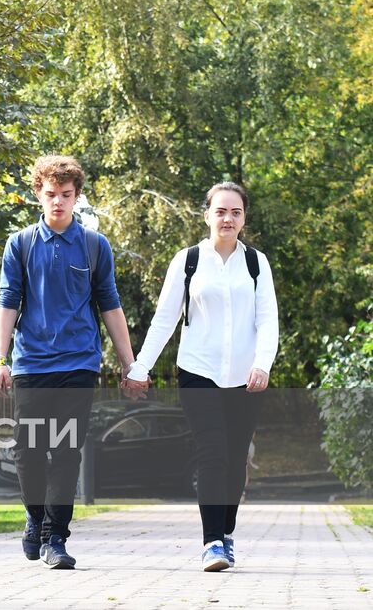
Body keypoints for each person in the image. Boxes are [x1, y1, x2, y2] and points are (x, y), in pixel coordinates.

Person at [0, 155, 139, 570]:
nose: (59, 202)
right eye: (51, 194)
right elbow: (7, 303)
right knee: (29, 449)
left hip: (79, 362)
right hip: (32, 363)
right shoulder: (20, 244)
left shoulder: (94, 245)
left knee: (67, 449)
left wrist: (129, 364)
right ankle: (36, 518)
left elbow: (110, 305)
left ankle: (56, 536)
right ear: (38, 194)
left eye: (67, 195)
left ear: (77, 196)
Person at [124, 181, 278, 572]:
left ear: (244, 218)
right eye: (221, 211)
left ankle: (226, 533)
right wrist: (139, 368)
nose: (228, 218)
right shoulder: (187, 260)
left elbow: (268, 321)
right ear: (207, 214)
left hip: (247, 377)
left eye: (236, 212)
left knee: (235, 457)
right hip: (198, 372)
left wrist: (262, 363)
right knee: (212, 452)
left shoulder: (256, 264)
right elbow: (164, 320)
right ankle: (211, 543)